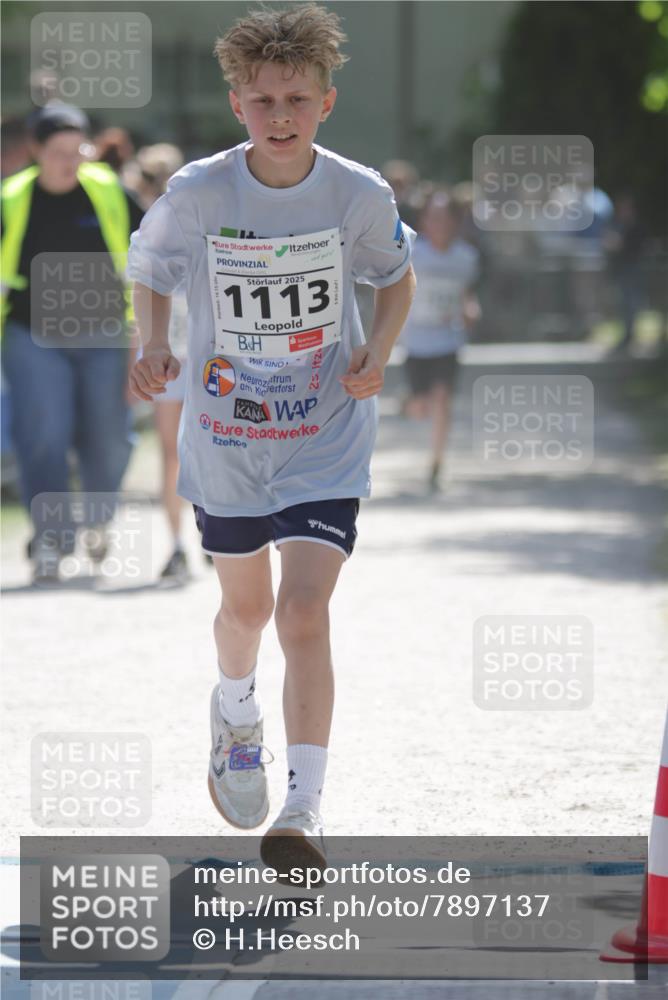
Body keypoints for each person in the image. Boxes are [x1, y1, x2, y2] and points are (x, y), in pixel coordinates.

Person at [127, 3, 415, 873]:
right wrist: (152, 342)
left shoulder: (358, 194)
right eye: (263, 101)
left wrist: (377, 352)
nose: (280, 116)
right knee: (247, 611)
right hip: (226, 433)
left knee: (302, 611)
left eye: (297, 100)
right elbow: (152, 268)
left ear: (326, 103)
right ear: (237, 104)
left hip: (324, 430)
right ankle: (235, 708)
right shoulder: (199, 192)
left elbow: (396, 277)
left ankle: (304, 805)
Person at [1, 104, 143, 581]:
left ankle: (99, 519)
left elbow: (153, 251)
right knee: (42, 433)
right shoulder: (11, 198)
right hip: (32, 336)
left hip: (106, 335)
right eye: (58, 152)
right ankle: (51, 538)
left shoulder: (108, 190)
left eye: (77, 150)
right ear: (35, 150)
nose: (70, 161)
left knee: (109, 436)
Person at [131, 143, 192, 581]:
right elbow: (137, 306)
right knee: (175, 453)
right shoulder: (146, 236)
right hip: (169, 357)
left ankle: (198, 536)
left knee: (187, 451)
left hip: (202, 355)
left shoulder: (203, 223)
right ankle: (178, 544)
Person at [398, 189, 480, 491]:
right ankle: (410, 402)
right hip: (417, 341)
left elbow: (466, 294)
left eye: (445, 218)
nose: (439, 224)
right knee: (421, 408)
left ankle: (437, 463)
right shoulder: (413, 254)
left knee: (443, 400)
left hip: (448, 341)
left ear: (456, 222)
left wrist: (471, 310)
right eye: (433, 217)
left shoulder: (466, 257)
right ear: (424, 221)